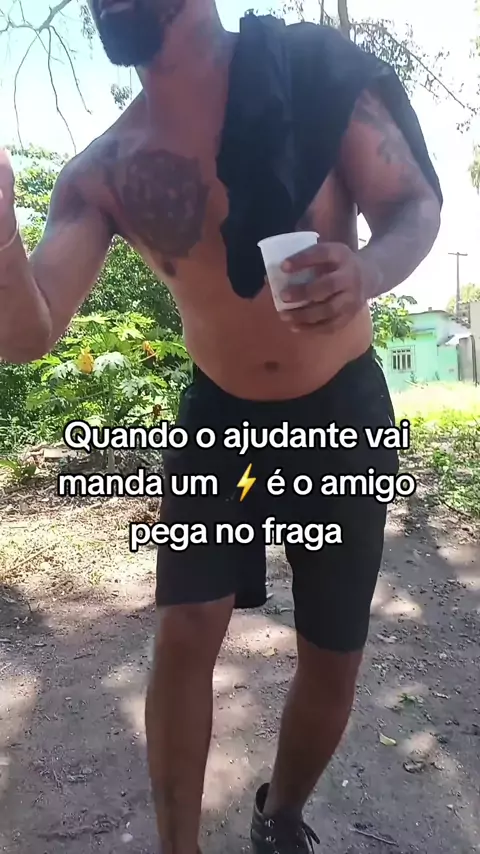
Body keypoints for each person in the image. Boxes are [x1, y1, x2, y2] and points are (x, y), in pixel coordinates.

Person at [0, 1, 441, 852]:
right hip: (219, 420)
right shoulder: (102, 170)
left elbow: (413, 204)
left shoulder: (312, 75)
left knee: (332, 653)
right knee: (185, 631)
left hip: (341, 413)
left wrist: (367, 270)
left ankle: (280, 817)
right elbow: (27, 332)